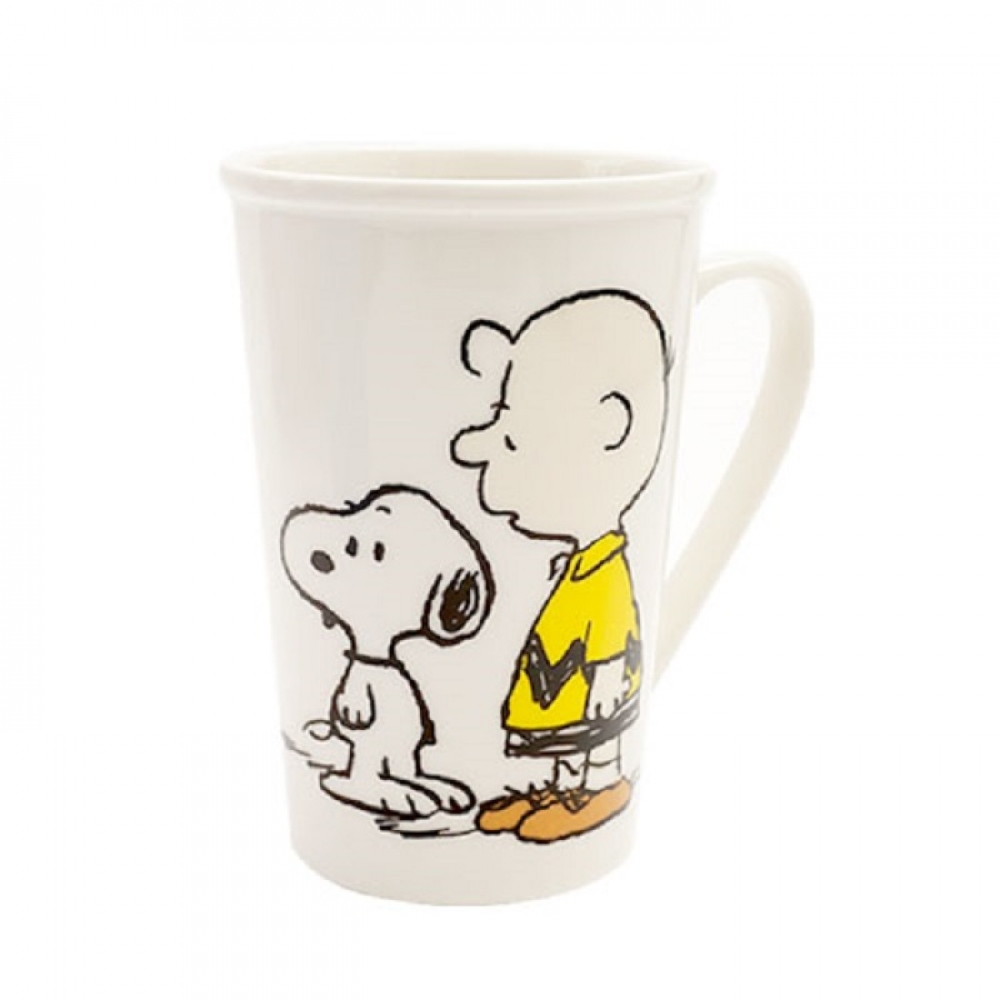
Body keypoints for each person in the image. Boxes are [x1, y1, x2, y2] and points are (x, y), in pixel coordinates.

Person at [451, 289, 672, 843]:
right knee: (567, 733)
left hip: (590, 677)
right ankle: (562, 788)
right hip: (564, 674)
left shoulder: (605, 569)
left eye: (516, 442)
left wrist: (608, 678)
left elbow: (613, 626)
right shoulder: (575, 564)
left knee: (592, 732)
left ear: (610, 428)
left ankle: (598, 787)